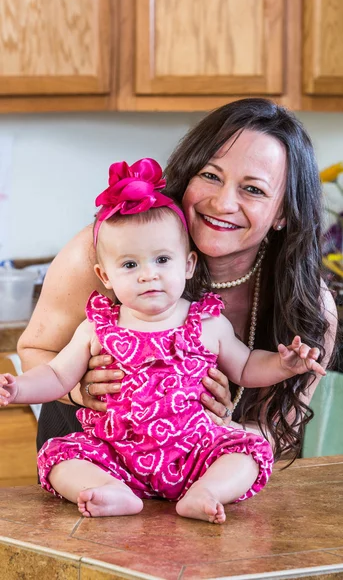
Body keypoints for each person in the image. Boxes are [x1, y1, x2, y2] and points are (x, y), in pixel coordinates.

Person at [17, 97, 337, 468]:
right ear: (187, 174)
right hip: (88, 477)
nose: (223, 202)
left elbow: (279, 432)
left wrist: (221, 428)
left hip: (202, 489)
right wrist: (80, 389)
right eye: (211, 175)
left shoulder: (308, 305)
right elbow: (34, 351)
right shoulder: (103, 253)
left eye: (253, 190)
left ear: (282, 212)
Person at [0, 160, 326, 523]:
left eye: (161, 260)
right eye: (129, 266)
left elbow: (247, 366)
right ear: (104, 275)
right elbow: (57, 376)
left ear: (187, 265)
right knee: (61, 458)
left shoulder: (207, 323)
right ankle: (113, 493)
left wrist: (283, 365)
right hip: (114, 453)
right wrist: (19, 388)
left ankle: (207, 492)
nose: (148, 275)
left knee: (249, 452)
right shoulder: (98, 328)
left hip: (193, 451)